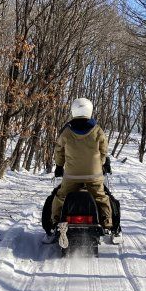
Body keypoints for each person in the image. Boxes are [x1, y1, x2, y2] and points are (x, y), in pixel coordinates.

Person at [50, 97, 113, 232]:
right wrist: (100, 163)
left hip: (72, 176)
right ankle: (107, 223)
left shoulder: (67, 132)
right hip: (94, 176)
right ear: (89, 111)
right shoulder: (97, 130)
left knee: (61, 196)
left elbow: (59, 150)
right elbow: (104, 151)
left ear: (73, 111)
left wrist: (59, 166)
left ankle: (55, 221)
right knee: (101, 197)